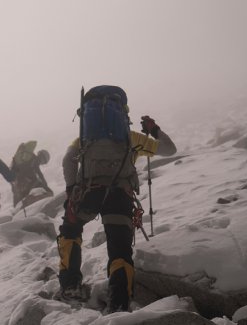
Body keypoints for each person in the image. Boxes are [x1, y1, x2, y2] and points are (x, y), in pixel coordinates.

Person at [56, 85, 177, 313]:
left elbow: (68, 160)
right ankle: (119, 304)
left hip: (88, 193)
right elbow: (170, 150)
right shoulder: (131, 138)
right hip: (119, 196)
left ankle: (70, 287)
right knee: (120, 250)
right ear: (124, 115)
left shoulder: (84, 137)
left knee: (70, 231)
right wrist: (154, 129)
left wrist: (72, 188)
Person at [10, 141, 53, 207]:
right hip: (20, 178)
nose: (42, 163)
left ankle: (16, 211)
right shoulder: (35, 160)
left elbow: (37, 173)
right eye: (44, 162)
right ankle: (21, 210)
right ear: (43, 158)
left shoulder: (32, 158)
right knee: (34, 185)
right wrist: (46, 187)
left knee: (18, 197)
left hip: (14, 176)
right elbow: (39, 173)